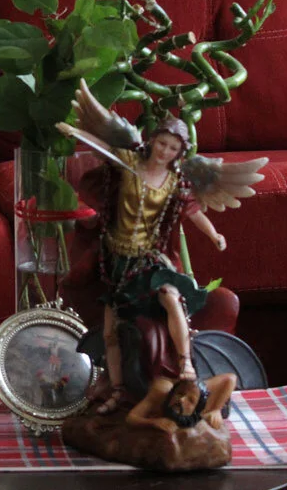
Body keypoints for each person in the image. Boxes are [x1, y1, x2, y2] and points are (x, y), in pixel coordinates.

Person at [58, 80, 265, 415]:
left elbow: (193, 211)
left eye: (172, 148)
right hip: (115, 257)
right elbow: (103, 147)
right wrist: (75, 132)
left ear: (179, 152)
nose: (165, 151)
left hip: (148, 257)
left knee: (170, 296)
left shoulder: (175, 182)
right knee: (111, 327)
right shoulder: (128, 161)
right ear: (152, 140)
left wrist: (214, 235)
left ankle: (186, 363)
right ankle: (118, 389)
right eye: (162, 143)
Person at [126, 373, 236, 433]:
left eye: (190, 400)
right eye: (179, 394)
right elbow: (132, 417)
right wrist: (153, 422)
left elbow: (231, 378)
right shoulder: (161, 392)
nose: (182, 399)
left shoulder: (202, 396)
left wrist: (216, 409)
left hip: (214, 402)